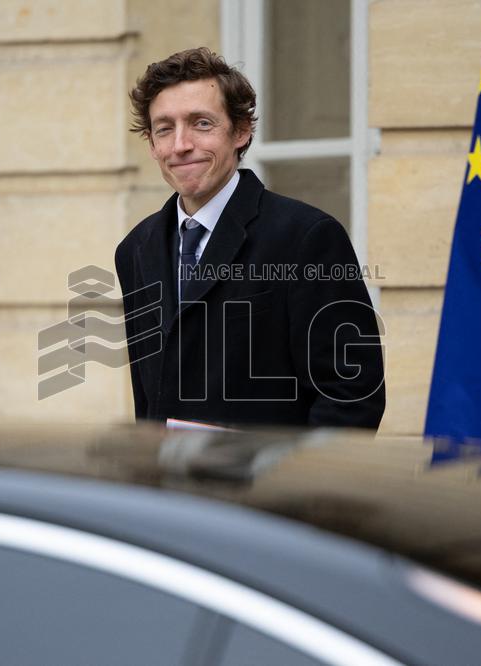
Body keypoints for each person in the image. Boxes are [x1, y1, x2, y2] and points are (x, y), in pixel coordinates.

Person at [115, 47, 384, 429]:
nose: (180, 145)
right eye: (164, 128)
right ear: (152, 144)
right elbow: (149, 402)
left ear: (241, 131)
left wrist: (285, 471)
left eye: (201, 123)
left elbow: (351, 397)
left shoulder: (307, 237)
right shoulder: (134, 250)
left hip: (271, 470)